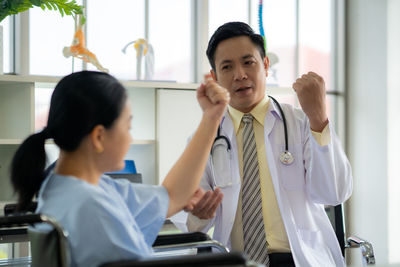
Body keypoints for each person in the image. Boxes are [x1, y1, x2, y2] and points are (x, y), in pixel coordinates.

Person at [175, 22, 353, 267]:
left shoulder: (302, 123)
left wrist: (319, 119)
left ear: (266, 65)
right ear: (215, 78)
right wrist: (197, 214)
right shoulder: (206, 136)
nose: (240, 75)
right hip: (233, 260)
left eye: (248, 62)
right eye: (227, 67)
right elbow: (188, 218)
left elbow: (333, 193)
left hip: (297, 258)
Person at [10, 71, 229, 267]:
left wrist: (211, 118)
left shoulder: (67, 186)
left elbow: (172, 195)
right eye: (128, 127)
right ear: (99, 137)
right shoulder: (92, 208)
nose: (129, 137)